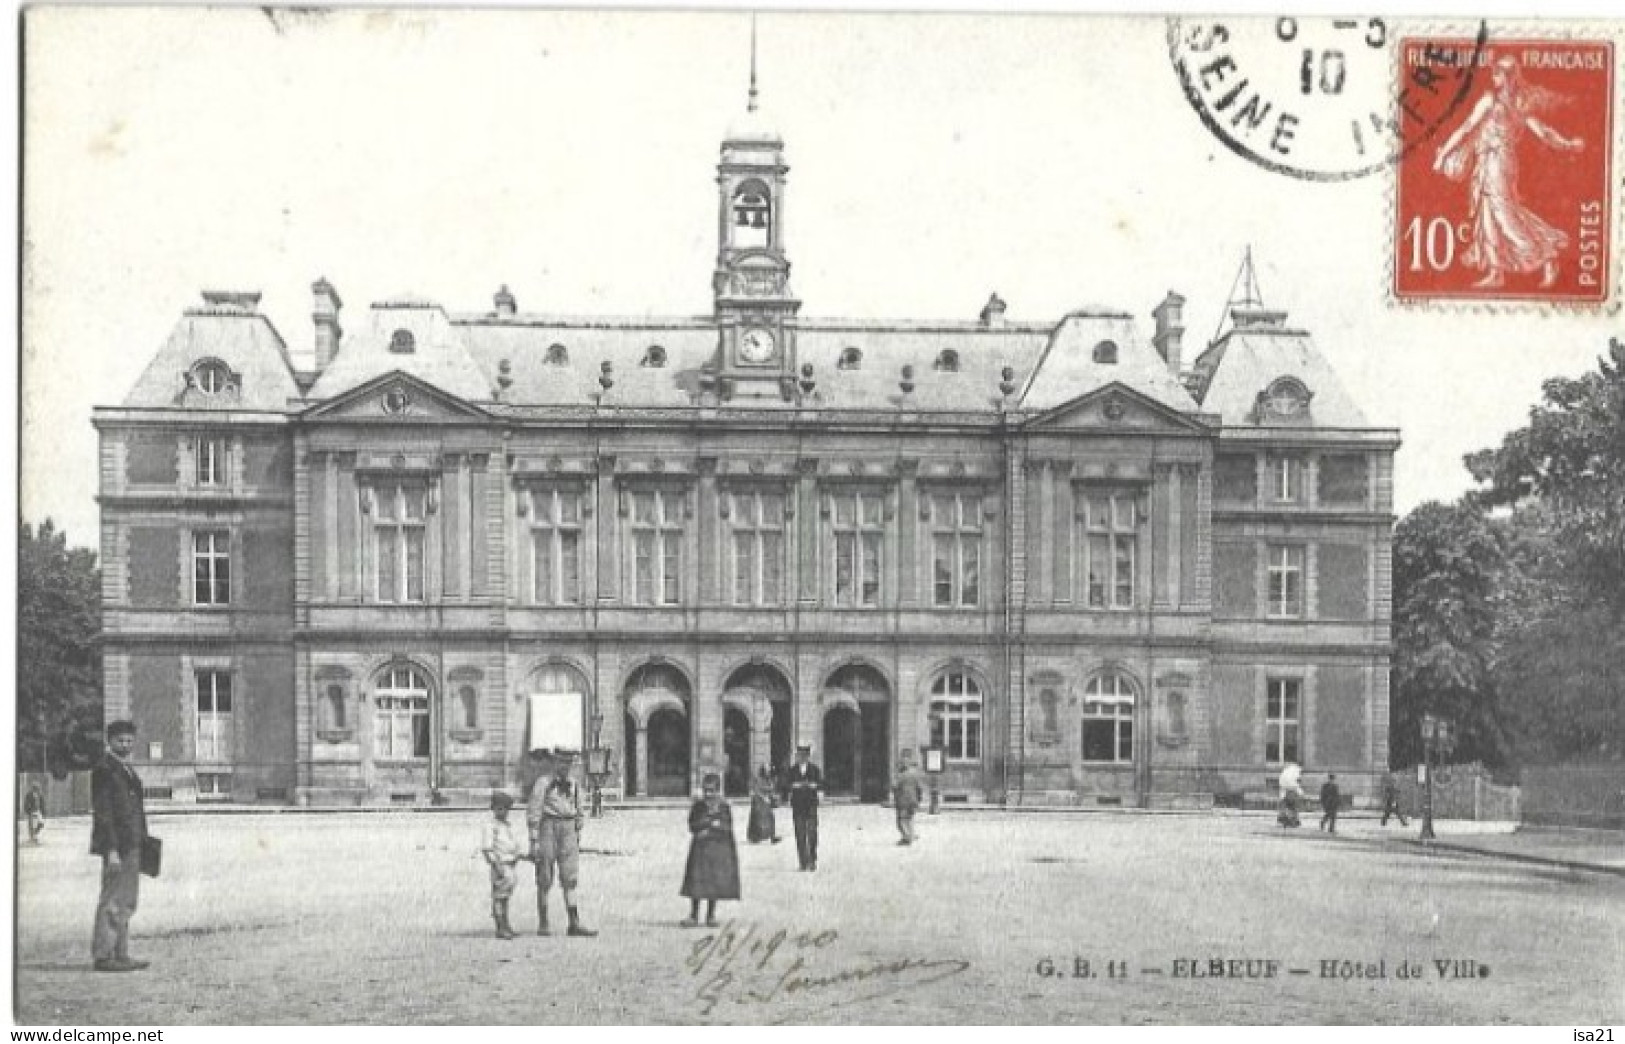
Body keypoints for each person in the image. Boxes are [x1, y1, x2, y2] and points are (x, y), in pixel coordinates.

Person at [1433, 56, 1585, 290]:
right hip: (1489, 161)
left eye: (1498, 74)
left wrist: (1444, 155)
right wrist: (1568, 145)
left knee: (1504, 214)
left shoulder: (1497, 101)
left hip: (1498, 162)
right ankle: (1496, 272)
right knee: (1488, 213)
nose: (1493, 78)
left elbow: (1468, 128)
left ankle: (1545, 256)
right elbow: (1543, 133)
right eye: (1494, 73)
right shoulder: (1516, 102)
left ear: (1508, 77)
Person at [90, 720, 149, 972]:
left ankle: (121, 953)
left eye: (129, 740)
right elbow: (104, 814)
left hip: (132, 844)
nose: (125, 744)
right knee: (112, 899)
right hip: (117, 847)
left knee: (126, 900)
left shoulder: (126, 770)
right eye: (120, 740)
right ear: (109, 741)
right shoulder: (105, 769)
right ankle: (104, 955)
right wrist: (111, 849)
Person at [526, 751, 597, 938]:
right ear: (554, 762)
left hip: (568, 829)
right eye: (560, 762)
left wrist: (577, 831)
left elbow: (580, 809)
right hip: (548, 826)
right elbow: (534, 810)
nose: (564, 766)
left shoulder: (574, 784)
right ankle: (543, 922)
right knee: (544, 874)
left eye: (568, 762)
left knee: (570, 876)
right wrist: (533, 840)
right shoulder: (543, 783)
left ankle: (574, 923)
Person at [680, 773, 740, 928]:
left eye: (712, 791)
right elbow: (693, 825)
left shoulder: (724, 807)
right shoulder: (698, 806)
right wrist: (710, 822)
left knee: (714, 882)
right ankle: (693, 915)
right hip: (699, 850)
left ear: (718, 791)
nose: (708, 794)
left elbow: (726, 827)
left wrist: (710, 826)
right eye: (706, 790)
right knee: (696, 882)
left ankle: (710, 915)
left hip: (717, 850)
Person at [480, 792, 526, 940]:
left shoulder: (507, 826)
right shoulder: (490, 826)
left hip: (510, 864)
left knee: (505, 897)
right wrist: (496, 864)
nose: (502, 812)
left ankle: (506, 924)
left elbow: (512, 845)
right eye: (499, 809)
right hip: (499, 864)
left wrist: (520, 855)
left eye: (505, 809)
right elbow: (487, 848)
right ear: (493, 809)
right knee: (499, 897)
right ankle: (500, 926)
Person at [786, 744, 822, 871]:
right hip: (798, 806)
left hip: (811, 805)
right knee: (800, 834)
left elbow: (820, 785)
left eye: (804, 755)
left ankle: (812, 860)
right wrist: (794, 786)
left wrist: (814, 786)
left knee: (812, 833)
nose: (801, 758)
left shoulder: (815, 770)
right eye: (799, 755)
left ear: (808, 756)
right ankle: (803, 862)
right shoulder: (792, 770)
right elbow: (787, 786)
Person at [892, 755, 924, 845]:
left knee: (901, 820)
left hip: (903, 801)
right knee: (910, 819)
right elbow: (920, 788)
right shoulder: (915, 774)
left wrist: (895, 796)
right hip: (913, 801)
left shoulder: (900, 776)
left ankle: (906, 838)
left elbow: (894, 786)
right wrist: (919, 799)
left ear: (902, 765)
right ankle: (911, 835)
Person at [746, 765, 781, 844]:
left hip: (765, 802)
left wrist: (772, 795)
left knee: (770, 819)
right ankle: (755, 837)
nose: (768, 773)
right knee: (758, 820)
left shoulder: (768, 780)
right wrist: (765, 794)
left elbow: (770, 789)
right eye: (766, 771)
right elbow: (756, 790)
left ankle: (772, 836)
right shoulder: (758, 780)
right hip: (759, 801)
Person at [1276, 761, 1303, 828]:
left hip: (1285, 791)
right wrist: (1300, 792)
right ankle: (1293, 821)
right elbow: (1296, 783)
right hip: (1292, 792)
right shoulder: (1296, 771)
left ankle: (1284, 819)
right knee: (1293, 807)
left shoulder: (1286, 771)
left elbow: (1282, 782)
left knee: (1286, 807)